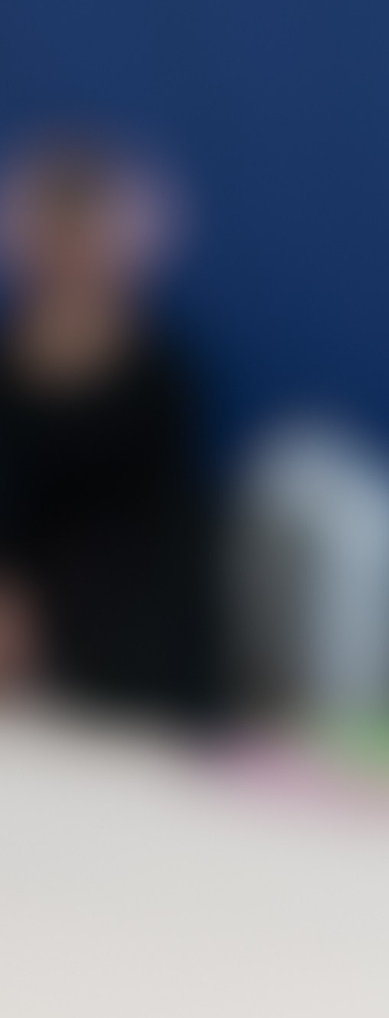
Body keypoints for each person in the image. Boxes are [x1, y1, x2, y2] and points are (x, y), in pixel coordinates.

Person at [0, 135, 223, 726]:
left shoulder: (159, 373)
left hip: (131, 615)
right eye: (57, 233)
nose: (69, 254)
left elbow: (151, 522)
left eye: (83, 235)